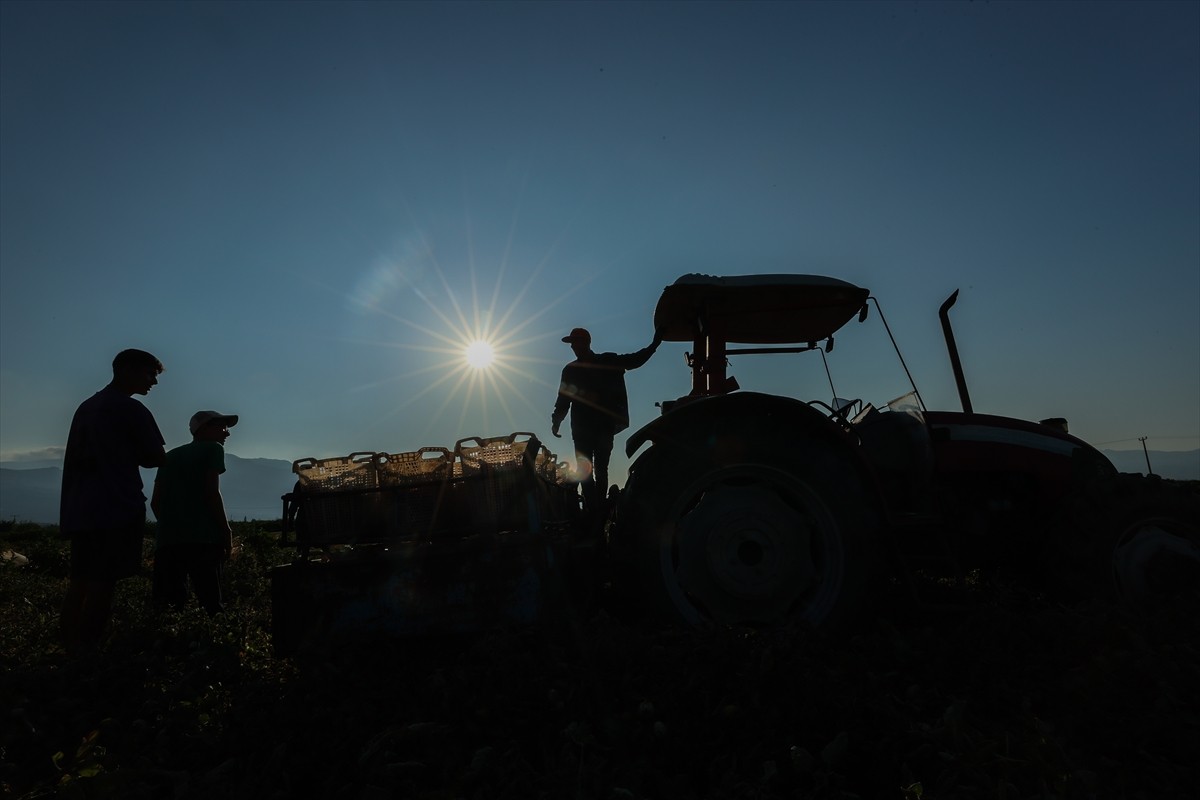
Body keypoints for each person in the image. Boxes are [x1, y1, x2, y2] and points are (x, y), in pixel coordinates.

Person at [59, 348, 167, 655]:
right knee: (104, 582)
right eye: (150, 375)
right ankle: (88, 651)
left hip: (80, 508)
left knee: (80, 581)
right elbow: (155, 457)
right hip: (116, 506)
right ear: (128, 371)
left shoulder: (87, 407)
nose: (153, 383)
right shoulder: (130, 409)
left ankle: (68, 647)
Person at [551, 326, 661, 518]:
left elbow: (634, 360)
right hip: (583, 430)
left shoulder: (606, 361)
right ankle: (593, 509)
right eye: (572, 344)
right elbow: (564, 399)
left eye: (575, 342)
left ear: (585, 343)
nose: (573, 347)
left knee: (601, 469)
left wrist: (655, 344)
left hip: (602, 428)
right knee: (585, 470)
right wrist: (557, 420)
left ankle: (599, 509)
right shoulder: (570, 370)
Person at [151, 410, 238, 615]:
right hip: (204, 540)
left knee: (168, 608)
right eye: (222, 427)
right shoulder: (213, 449)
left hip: (168, 542)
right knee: (211, 605)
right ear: (204, 428)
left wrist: (172, 526)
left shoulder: (170, 455)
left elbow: (156, 502)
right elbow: (211, 494)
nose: (227, 434)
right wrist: (226, 531)